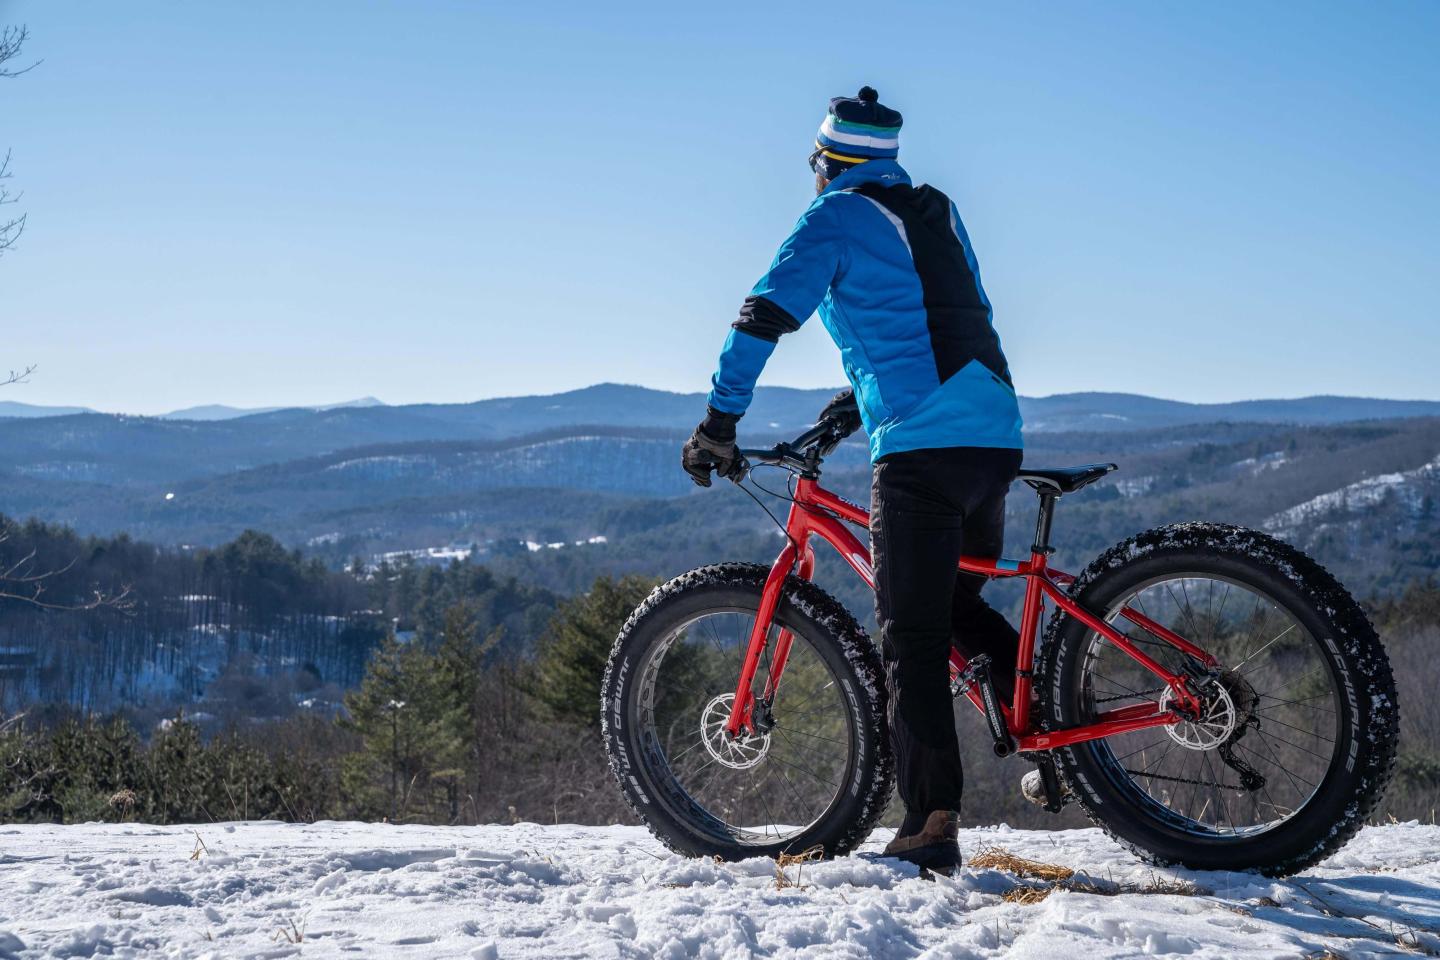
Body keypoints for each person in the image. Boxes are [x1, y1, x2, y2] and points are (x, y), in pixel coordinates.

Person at [681, 87, 1024, 875]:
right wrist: (854, 403)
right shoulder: (937, 209)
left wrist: (719, 424)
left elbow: (761, 317)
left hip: (922, 454)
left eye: (814, 162)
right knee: (953, 610)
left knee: (912, 634)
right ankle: (1063, 738)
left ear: (827, 161)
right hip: (993, 433)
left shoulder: (830, 218)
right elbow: (939, 319)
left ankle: (929, 822)